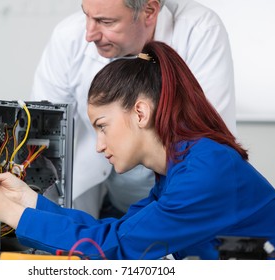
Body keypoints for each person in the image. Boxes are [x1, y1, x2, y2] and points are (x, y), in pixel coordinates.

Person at [0, 41, 275, 260]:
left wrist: (10, 215)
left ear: (141, 113)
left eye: (102, 126)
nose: (99, 145)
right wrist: (26, 201)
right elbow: (119, 233)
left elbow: (117, 247)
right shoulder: (181, 169)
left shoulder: (205, 172)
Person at [31, 0, 237, 218]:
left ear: (149, 11)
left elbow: (207, 142)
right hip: (102, 199)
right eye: (86, 16)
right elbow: (43, 132)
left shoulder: (200, 31)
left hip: (178, 200)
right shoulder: (68, 36)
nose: (89, 35)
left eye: (106, 21)